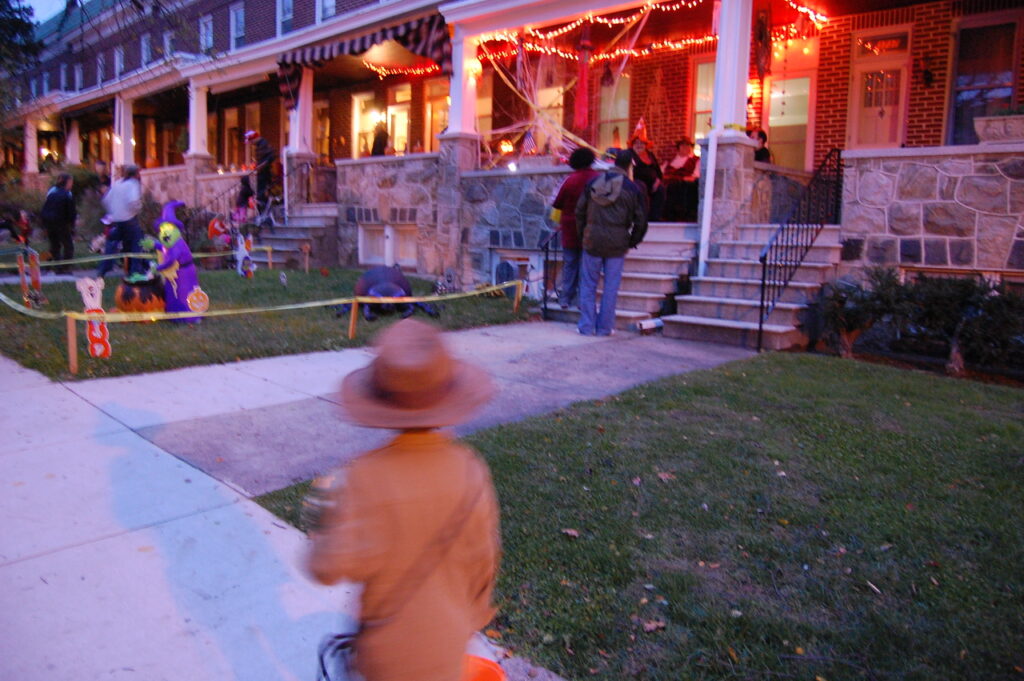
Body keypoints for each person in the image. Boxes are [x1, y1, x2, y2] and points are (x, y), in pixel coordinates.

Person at [306, 318, 501, 681]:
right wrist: (467, 621)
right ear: (446, 394)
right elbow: (484, 563)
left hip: (386, 656)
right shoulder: (471, 470)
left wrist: (322, 522)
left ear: (382, 400)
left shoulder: (364, 476)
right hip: (448, 648)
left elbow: (326, 567)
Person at [575, 150, 648, 336]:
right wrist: (632, 241)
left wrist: (583, 233)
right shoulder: (633, 189)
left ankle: (586, 326)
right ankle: (605, 328)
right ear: (630, 165)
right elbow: (641, 221)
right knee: (610, 287)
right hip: (617, 243)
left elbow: (579, 211)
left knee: (588, 285)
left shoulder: (593, 183)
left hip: (592, 240)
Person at [551, 147, 599, 309]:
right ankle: (582, 300)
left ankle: (565, 298)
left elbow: (558, 203)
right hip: (591, 229)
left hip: (570, 228)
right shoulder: (598, 179)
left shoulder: (570, 180)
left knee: (570, 264)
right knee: (587, 266)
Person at [97, 165, 145, 278]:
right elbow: (133, 201)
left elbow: (106, 200)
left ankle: (103, 270)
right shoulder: (133, 184)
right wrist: (138, 209)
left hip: (117, 220)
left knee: (113, 243)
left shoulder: (117, 184)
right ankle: (135, 271)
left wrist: (114, 212)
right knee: (137, 243)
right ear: (136, 174)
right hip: (129, 219)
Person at [40, 173, 77, 274]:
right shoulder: (67, 195)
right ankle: (65, 268)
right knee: (68, 246)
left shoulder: (52, 193)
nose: (72, 184)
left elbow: (44, 209)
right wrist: (72, 226)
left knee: (54, 246)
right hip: (61, 224)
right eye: (71, 182)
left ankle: (45, 264)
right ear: (68, 182)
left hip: (49, 223)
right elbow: (71, 213)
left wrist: (44, 225)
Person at [661, 138, 700, 222]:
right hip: (668, 185)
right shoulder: (669, 162)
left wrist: (682, 179)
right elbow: (660, 174)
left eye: (688, 145)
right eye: (683, 145)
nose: (685, 147)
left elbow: (694, 177)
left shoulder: (695, 160)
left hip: (684, 187)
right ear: (678, 147)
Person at [628, 135, 664, 221]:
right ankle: (641, 217)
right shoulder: (630, 154)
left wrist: (657, 181)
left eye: (641, 143)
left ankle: (655, 217)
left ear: (645, 145)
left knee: (660, 189)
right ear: (632, 145)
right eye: (636, 143)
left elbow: (658, 172)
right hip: (635, 182)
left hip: (651, 184)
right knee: (641, 187)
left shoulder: (650, 155)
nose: (639, 145)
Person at [244, 130, 277, 211]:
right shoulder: (260, 146)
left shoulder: (264, 145)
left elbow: (270, 157)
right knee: (258, 192)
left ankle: (264, 211)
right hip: (262, 173)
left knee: (261, 194)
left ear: (255, 138)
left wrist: (261, 166)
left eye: (251, 141)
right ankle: (262, 209)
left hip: (264, 174)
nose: (251, 143)